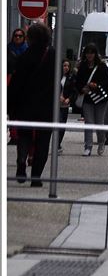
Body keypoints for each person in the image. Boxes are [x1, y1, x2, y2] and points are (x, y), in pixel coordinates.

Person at [9, 23, 57, 186]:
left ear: (30, 38)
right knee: (43, 140)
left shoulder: (24, 57)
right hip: (46, 105)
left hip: (25, 104)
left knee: (24, 135)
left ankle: (22, 161)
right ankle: (36, 177)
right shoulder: (53, 55)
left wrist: (10, 106)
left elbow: (16, 84)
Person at [75, 43, 108, 157]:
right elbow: (77, 82)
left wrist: (97, 85)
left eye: (91, 53)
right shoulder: (82, 66)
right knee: (88, 122)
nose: (89, 55)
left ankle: (101, 141)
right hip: (87, 98)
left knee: (99, 122)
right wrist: (82, 89)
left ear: (95, 54)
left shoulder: (102, 66)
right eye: (87, 53)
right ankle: (88, 146)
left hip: (100, 98)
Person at [57, 58, 78, 153]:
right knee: (57, 123)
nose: (66, 67)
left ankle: (58, 144)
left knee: (62, 125)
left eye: (68, 66)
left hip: (65, 105)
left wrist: (69, 99)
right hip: (56, 104)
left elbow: (74, 91)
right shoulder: (56, 76)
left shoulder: (71, 77)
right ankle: (56, 144)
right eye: (64, 65)